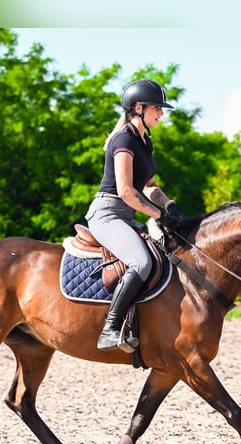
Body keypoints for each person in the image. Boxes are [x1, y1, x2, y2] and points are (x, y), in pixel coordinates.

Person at [85, 79, 185, 352]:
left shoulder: (144, 141)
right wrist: (157, 215)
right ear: (138, 108)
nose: (161, 114)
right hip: (107, 214)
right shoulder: (124, 139)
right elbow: (126, 190)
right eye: (157, 108)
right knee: (140, 262)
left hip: (127, 214)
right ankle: (111, 328)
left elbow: (149, 186)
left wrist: (169, 205)